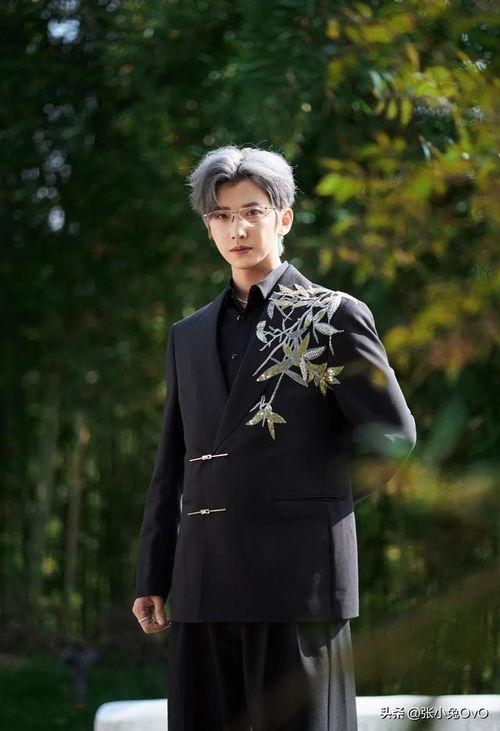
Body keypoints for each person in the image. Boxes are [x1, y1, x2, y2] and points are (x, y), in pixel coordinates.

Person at [131, 145, 417, 730]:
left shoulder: (330, 316)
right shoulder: (187, 335)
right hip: (203, 582)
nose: (236, 228)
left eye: (251, 212)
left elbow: (393, 435)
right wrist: (154, 574)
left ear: (283, 218)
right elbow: (173, 462)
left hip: (298, 581)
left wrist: (311, 508)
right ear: (208, 226)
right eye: (220, 215)